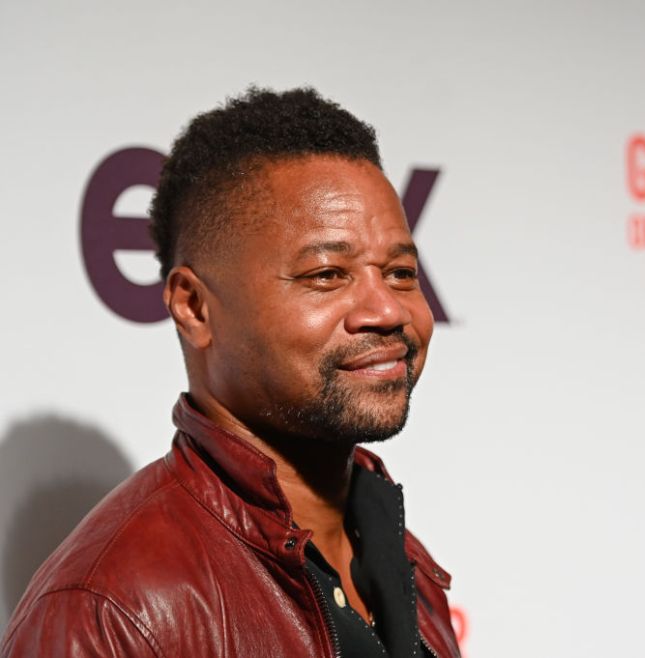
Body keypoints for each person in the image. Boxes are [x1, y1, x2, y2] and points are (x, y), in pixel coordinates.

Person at [2, 87, 459, 658]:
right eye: (326, 274)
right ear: (194, 307)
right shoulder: (111, 610)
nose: (388, 311)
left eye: (400, 273)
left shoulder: (405, 563)